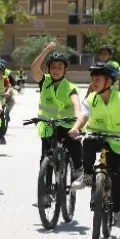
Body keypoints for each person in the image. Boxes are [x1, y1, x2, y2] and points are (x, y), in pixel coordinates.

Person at [69, 62, 120, 229]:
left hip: (119, 143)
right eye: (93, 78)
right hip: (97, 137)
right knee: (87, 141)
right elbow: (84, 116)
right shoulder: (91, 99)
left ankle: (118, 212)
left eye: (98, 79)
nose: (94, 82)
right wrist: (76, 128)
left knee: (117, 175)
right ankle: (87, 175)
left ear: (108, 82)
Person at [30, 42, 83, 178]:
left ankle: (78, 169)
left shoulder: (70, 87)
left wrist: (77, 123)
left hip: (67, 125)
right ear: (48, 69)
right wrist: (46, 50)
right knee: (45, 159)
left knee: (74, 144)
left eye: (60, 67)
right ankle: (46, 194)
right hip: (48, 125)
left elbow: (76, 106)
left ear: (65, 70)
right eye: (53, 67)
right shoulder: (44, 81)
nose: (56, 70)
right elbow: (34, 68)